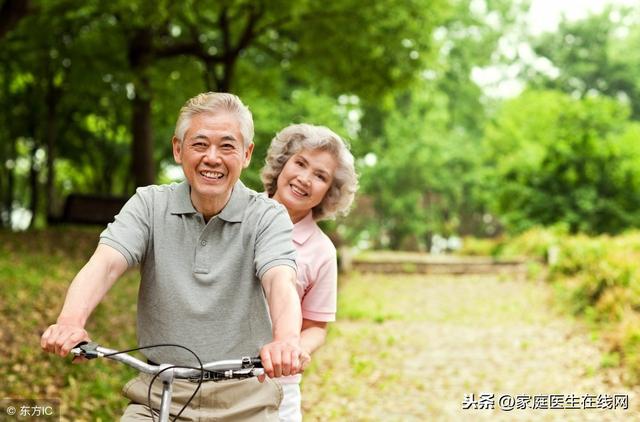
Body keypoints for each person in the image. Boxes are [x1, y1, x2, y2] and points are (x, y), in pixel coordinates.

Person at [40, 92, 304, 421]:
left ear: (246, 154)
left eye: (226, 146)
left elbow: (280, 279)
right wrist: (70, 323)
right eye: (199, 144)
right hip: (158, 390)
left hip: (245, 396)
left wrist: (286, 340)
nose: (212, 158)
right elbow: (105, 264)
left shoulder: (267, 216)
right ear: (178, 149)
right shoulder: (149, 205)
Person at [261, 124, 358, 421]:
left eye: (320, 176)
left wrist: (290, 352)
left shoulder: (321, 251)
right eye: (300, 163)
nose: (305, 179)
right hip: (212, 377)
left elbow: (317, 326)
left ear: (329, 192)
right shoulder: (235, 214)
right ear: (281, 165)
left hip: (276, 389)